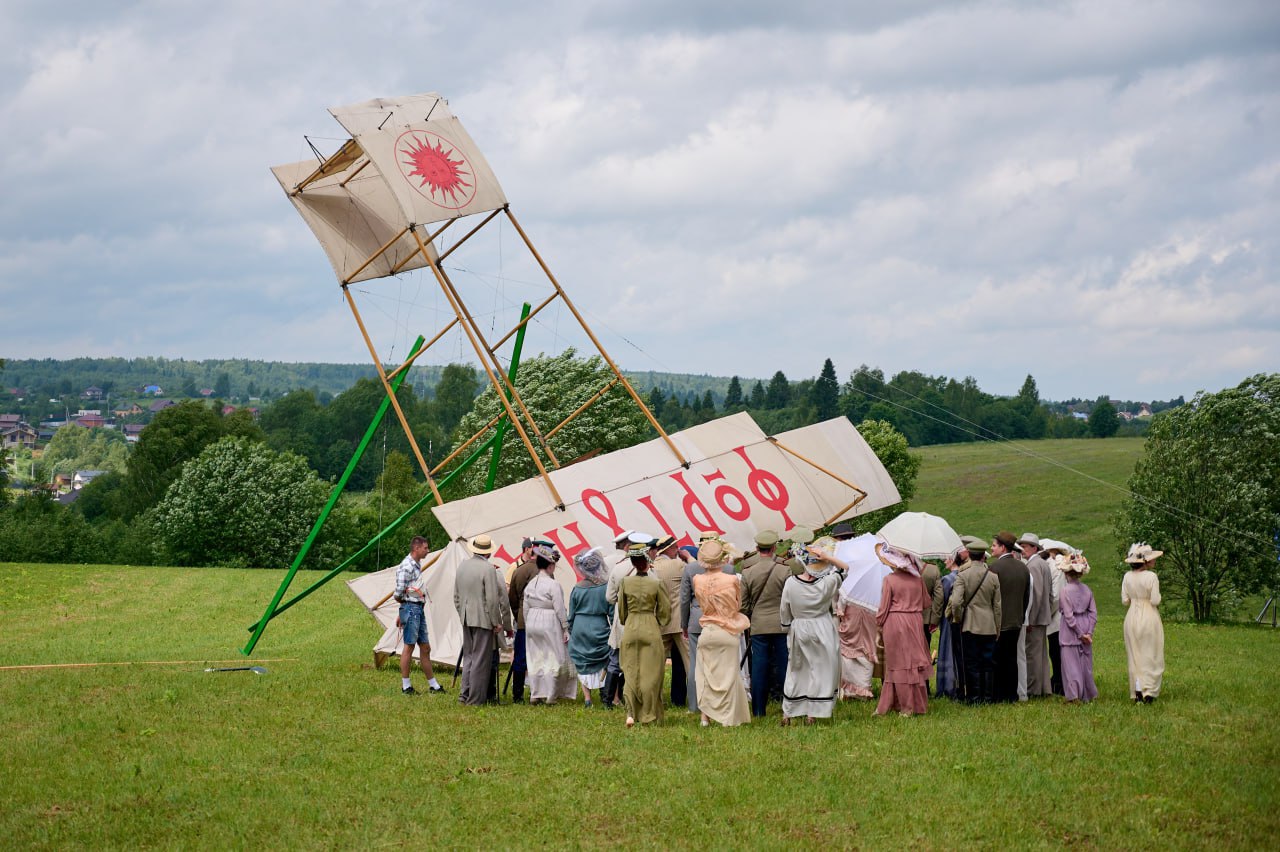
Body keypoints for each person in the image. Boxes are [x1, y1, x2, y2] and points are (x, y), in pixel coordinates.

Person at [779, 544, 843, 724]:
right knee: (820, 669)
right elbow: (845, 568)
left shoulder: (791, 583)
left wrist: (786, 626)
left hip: (799, 627)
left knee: (796, 669)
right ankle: (812, 713)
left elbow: (785, 607)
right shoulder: (828, 582)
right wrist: (827, 557)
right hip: (822, 626)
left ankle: (788, 713)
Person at [740, 530, 801, 717]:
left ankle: (758, 710)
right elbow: (791, 599)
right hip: (781, 624)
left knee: (759, 667)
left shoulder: (748, 572)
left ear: (757, 548)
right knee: (784, 666)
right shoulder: (785, 570)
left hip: (758, 625)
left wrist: (752, 616)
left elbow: (743, 604)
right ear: (774, 547)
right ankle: (787, 708)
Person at [692, 539, 751, 727]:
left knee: (705, 675)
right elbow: (738, 604)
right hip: (727, 630)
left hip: (707, 630)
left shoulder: (697, 579)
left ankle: (705, 717)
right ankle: (727, 717)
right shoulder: (732, 579)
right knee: (729, 675)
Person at [680, 535, 737, 714]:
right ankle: (720, 704)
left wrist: (684, 624)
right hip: (722, 619)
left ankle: (695, 706)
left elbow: (684, 599)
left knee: (696, 664)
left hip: (697, 619)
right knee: (722, 664)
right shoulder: (729, 569)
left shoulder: (690, 568)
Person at [618, 542, 672, 727]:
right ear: (647, 561)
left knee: (631, 670)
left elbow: (622, 612)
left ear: (632, 562)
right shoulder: (656, 583)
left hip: (631, 627)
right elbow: (665, 611)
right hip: (650, 626)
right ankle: (649, 714)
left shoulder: (625, 582)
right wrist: (659, 621)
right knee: (651, 674)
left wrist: (629, 620)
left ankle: (631, 713)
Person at [875, 545, 933, 716]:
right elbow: (926, 602)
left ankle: (905, 707)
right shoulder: (918, 579)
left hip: (896, 622)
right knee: (913, 664)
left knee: (897, 664)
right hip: (915, 620)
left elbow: (884, 608)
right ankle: (912, 704)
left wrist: (878, 625)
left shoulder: (889, 580)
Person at [454, 535, 508, 706]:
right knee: (480, 660)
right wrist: (496, 622)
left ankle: (464, 694)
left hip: (466, 617)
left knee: (469, 657)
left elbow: (456, 596)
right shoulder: (489, 569)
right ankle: (476, 699)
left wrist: (462, 612)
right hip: (483, 619)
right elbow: (492, 600)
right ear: (488, 553)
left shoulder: (462, 566)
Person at [947, 539, 1001, 705]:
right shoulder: (993, 577)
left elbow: (955, 602)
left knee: (972, 662)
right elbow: (997, 606)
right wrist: (997, 628)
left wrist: (958, 618)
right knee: (988, 662)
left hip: (969, 624)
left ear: (969, 555)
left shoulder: (963, 576)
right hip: (989, 624)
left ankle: (974, 697)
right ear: (983, 556)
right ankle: (988, 697)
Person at [523, 545, 578, 704]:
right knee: (553, 657)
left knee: (535, 658)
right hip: (549, 620)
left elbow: (526, 606)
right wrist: (565, 627)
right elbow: (560, 608)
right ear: (550, 565)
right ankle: (551, 694)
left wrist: (529, 622)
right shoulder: (553, 584)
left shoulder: (531, 583)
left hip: (533, 619)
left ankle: (536, 693)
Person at [604, 532, 651, 709]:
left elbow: (609, 597)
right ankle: (634, 697)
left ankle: (608, 699)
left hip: (622, 618)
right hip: (643, 619)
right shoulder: (650, 570)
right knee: (639, 660)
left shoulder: (617, 568)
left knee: (616, 660)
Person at [393, 535, 444, 695]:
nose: (427, 551)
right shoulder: (406, 566)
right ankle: (406, 686)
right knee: (409, 646)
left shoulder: (416, 564)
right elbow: (398, 592)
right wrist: (405, 609)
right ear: (416, 548)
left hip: (417, 609)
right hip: (412, 608)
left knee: (425, 647)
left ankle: (433, 685)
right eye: (425, 548)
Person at [568, 548, 612, 707]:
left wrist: (572, 630)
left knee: (582, 661)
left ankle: (587, 698)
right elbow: (611, 611)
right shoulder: (605, 587)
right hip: (599, 626)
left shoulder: (577, 588)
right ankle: (605, 691)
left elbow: (571, 615)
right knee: (604, 659)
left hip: (580, 627)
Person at [989, 531, 1029, 703]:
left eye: (994, 545)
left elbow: (990, 596)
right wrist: (1020, 615)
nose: (992, 548)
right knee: (1012, 659)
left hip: (999, 622)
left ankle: (998, 694)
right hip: (1016, 620)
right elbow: (1026, 596)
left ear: (1003, 547)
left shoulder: (994, 568)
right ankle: (1011, 694)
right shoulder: (1023, 568)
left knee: (997, 659)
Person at [651, 535, 691, 708]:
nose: (678, 550)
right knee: (691, 663)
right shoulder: (678, 565)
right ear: (669, 549)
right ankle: (698, 702)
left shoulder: (652, 567)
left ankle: (654, 700)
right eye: (676, 547)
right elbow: (698, 571)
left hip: (660, 621)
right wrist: (688, 557)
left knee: (656, 665)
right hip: (680, 622)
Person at [1122, 542, 1165, 703]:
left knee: (1135, 655)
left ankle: (1137, 690)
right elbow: (1155, 600)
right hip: (1149, 616)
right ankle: (1149, 691)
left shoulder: (1127, 576)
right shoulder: (1151, 577)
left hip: (1131, 616)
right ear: (1145, 561)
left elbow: (1125, 600)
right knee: (1150, 654)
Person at [1019, 533, 1056, 698]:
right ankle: (1044, 688)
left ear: (1034, 548)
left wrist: (1030, 618)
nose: (1022, 550)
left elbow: (1036, 594)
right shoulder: (1043, 563)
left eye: (1025, 546)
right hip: (1043, 616)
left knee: (1032, 655)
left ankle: (1033, 689)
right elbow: (1049, 595)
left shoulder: (1033, 565)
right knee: (1040, 654)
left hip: (1035, 618)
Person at [1058, 553, 1098, 703]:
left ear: (1066, 573)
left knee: (1070, 664)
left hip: (1070, 631)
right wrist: (1089, 632)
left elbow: (1068, 616)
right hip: (1085, 624)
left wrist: (1080, 634)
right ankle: (1088, 692)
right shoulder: (1087, 589)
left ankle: (1074, 695)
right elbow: (1093, 613)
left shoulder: (1065, 591)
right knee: (1085, 664)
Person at [930, 547, 967, 700]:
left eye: (946, 558)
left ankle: (947, 685)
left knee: (947, 650)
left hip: (948, 619)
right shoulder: (965, 576)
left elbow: (941, 601)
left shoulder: (947, 579)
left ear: (953, 560)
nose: (945, 561)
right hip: (964, 619)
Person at [506, 539, 540, 703]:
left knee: (520, 658)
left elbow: (513, 597)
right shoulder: (546, 572)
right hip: (541, 623)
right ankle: (537, 692)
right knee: (539, 658)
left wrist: (518, 614)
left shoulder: (520, 571)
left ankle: (517, 695)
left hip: (523, 621)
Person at [1043, 542, 1069, 695]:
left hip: (1057, 617)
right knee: (1054, 651)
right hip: (1056, 615)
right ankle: (1058, 679)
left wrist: (1047, 613)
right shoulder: (1055, 566)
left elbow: (1056, 596)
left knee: (1056, 650)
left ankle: (1060, 681)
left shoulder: (1057, 567)